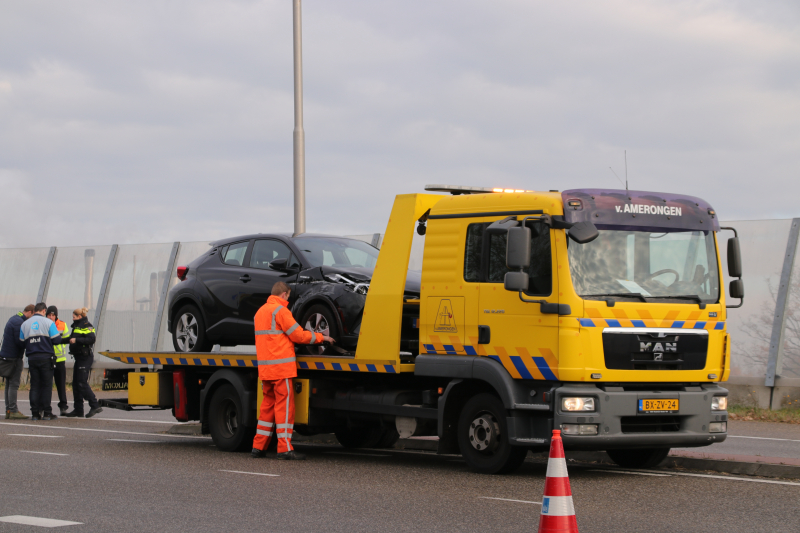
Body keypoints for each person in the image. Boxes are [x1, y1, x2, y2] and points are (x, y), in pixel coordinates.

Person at [251, 282, 334, 460]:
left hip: (266, 369)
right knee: (284, 409)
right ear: (284, 294)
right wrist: (322, 337)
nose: (288, 300)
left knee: (266, 408)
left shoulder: (260, 313)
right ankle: (285, 449)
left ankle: (258, 447)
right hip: (281, 370)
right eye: (288, 296)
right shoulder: (281, 311)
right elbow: (298, 335)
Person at [19, 302, 67, 420]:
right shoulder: (49, 323)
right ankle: (47, 412)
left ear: (35, 310)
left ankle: (35, 413)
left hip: (32, 358)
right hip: (46, 358)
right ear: (44, 311)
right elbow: (56, 340)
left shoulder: (25, 324)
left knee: (35, 385)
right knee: (46, 385)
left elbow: (21, 342)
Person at [63, 307, 103, 418]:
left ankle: (95, 405)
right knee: (75, 383)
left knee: (81, 382)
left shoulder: (87, 325)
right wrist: (56, 341)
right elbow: (71, 338)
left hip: (85, 357)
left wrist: (77, 340)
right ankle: (78, 410)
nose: (73, 318)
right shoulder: (76, 326)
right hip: (78, 358)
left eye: (74, 317)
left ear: (80, 316)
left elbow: (91, 339)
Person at [1, 304, 34, 419]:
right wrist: (30, 343)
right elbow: (19, 341)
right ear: (30, 312)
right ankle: (13, 410)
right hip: (14, 358)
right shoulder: (19, 322)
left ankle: (9, 410)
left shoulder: (14, 318)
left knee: (9, 384)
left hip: (8, 356)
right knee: (14, 384)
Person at [46, 306, 71, 416]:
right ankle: (46, 407)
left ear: (56, 315)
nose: (51, 317)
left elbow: (67, 339)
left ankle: (63, 407)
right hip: (47, 358)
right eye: (49, 315)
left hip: (60, 359)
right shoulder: (44, 324)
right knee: (47, 384)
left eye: (53, 315)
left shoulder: (62, 324)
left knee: (61, 384)